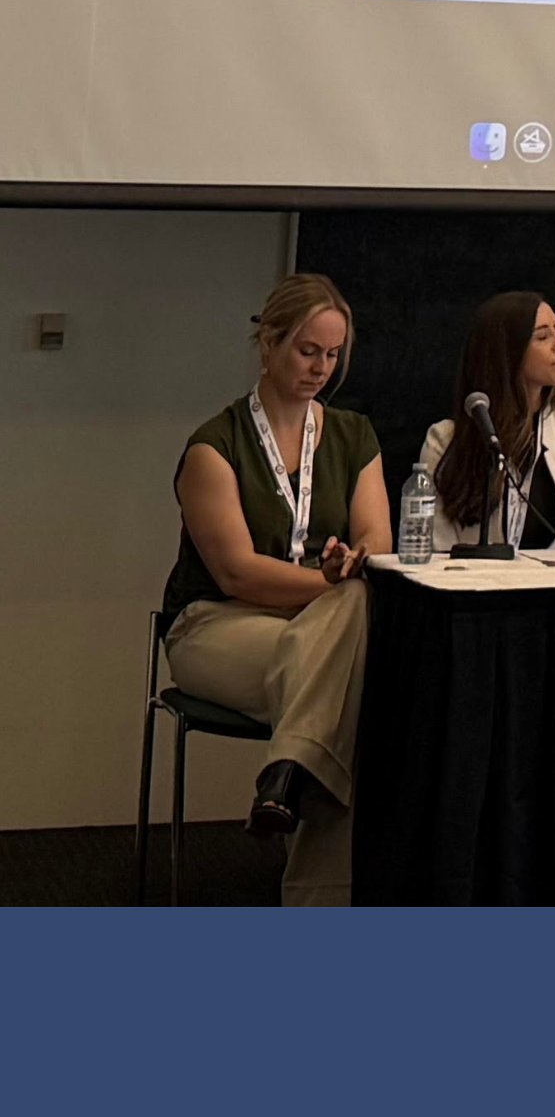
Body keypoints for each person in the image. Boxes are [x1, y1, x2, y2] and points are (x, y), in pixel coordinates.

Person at [159, 274, 388, 906]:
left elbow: (376, 542)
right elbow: (236, 573)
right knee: (347, 682)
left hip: (316, 630)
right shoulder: (214, 445)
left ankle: (288, 774)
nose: (321, 368)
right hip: (217, 623)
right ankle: (319, 904)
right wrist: (328, 581)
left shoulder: (354, 436)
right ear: (268, 344)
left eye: (333, 354)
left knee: (355, 608)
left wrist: (350, 567)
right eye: (307, 351)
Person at [417, 292, 555, 553]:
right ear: (507, 353)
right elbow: (437, 550)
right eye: (542, 337)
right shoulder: (445, 440)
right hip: (470, 578)